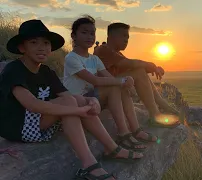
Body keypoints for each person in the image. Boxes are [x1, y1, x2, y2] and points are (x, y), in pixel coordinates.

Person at [0, 19, 143, 180]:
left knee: (77, 100)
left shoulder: (46, 71)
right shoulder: (14, 70)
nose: (42, 47)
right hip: (19, 127)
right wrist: (78, 110)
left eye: (46, 43)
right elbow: (33, 105)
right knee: (71, 104)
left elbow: (68, 96)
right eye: (34, 42)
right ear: (22, 47)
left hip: (40, 122)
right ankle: (89, 165)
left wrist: (91, 102)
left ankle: (112, 148)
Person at [63, 15, 158, 151]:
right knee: (116, 86)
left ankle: (135, 129)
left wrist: (125, 84)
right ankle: (123, 133)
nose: (89, 37)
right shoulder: (71, 58)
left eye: (92, 33)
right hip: (76, 100)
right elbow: (94, 80)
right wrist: (122, 81)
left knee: (118, 87)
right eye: (84, 32)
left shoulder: (94, 59)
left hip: (93, 99)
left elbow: (107, 77)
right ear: (74, 36)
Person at [93, 22, 180, 128]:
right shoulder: (103, 50)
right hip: (104, 94)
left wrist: (153, 68)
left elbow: (130, 68)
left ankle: (161, 104)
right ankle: (155, 116)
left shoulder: (116, 54)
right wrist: (152, 66)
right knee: (138, 71)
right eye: (123, 36)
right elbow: (130, 64)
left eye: (128, 37)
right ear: (111, 37)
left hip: (112, 91)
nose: (126, 40)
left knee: (139, 71)